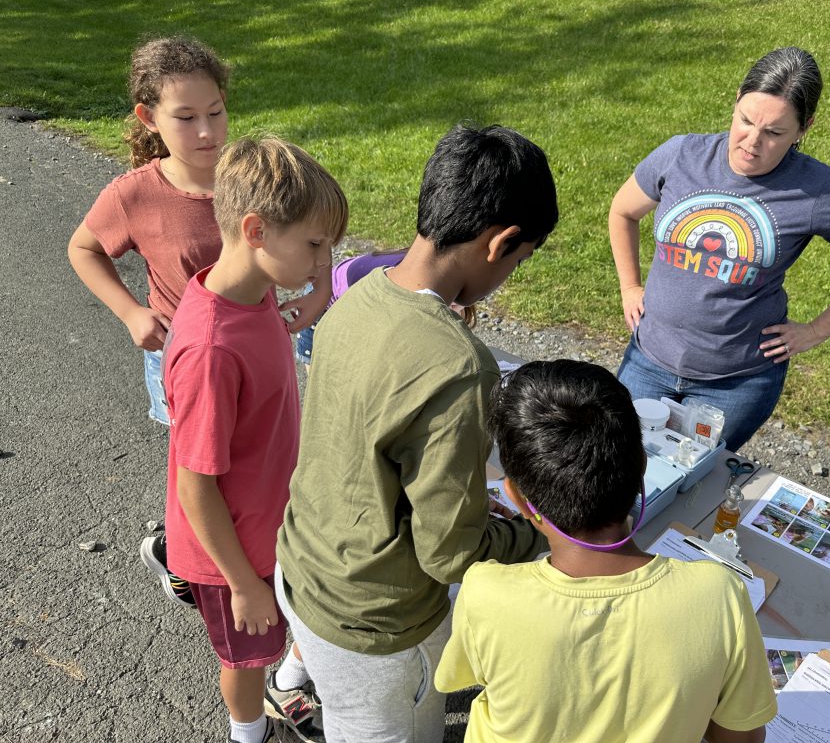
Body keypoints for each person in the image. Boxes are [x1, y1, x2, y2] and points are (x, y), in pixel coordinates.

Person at [274, 122, 558, 743]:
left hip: (304, 565)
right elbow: (450, 553)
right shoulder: (459, 366)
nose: (513, 271)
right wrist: (534, 535)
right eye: (521, 258)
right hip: (375, 624)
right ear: (502, 242)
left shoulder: (359, 293)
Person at [67, 36, 330, 609]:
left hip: (259, 345)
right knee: (201, 468)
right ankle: (186, 558)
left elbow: (315, 223)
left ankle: (250, 553)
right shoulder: (134, 194)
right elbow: (83, 249)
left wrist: (322, 288)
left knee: (258, 462)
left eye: (216, 112)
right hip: (187, 357)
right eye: (186, 118)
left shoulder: (247, 176)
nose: (208, 132)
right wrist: (131, 312)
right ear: (149, 118)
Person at [435, 360, 777, 743]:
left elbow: (468, 678)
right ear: (642, 468)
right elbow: (741, 737)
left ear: (517, 498)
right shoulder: (720, 594)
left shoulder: (486, 592)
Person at [609, 46, 830, 451]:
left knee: (689, 487)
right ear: (735, 100)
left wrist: (816, 331)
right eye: (746, 120)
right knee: (614, 467)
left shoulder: (814, 189)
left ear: (805, 129)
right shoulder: (681, 154)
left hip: (734, 386)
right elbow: (623, 212)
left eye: (774, 133)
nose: (752, 141)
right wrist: (630, 287)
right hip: (647, 360)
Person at [162, 136, 347, 743]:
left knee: (288, 620)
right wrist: (242, 583)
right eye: (316, 246)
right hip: (233, 552)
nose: (324, 262)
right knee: (245, 658)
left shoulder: (253, 286)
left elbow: (278, 316)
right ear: (256, 230)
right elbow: (196, 486)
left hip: (271, 516)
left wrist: (317, 295)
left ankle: (285, 679)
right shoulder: (211, 351)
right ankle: (248, 733)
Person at [294, 249, 476, 367]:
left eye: (456, 306)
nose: (450, 312)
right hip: (320, 302)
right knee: (323, 387)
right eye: (448, 305)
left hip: (356, 299)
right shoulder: (405, 290)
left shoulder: (435, 281)